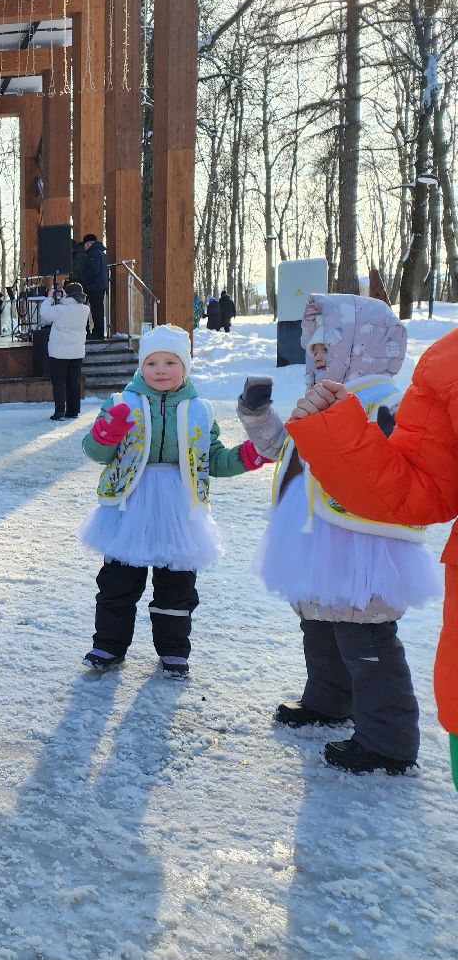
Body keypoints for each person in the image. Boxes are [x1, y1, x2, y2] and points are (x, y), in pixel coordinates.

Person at [241, 295, 440, 775]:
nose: (317, 356)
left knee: (364, 634)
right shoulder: (318, 401)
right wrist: (257, 413)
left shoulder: (387, 402)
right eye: (313, 350)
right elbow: (283, 447)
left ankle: (389, 740)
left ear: (362, 347)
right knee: (322, 626)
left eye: (328, 347)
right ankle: (329, 701)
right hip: (317, 536)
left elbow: (400, 463)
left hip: (361, 543)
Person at [78, 324, 268, 678]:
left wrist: (247, 457)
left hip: (179, 507)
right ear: (140, 367)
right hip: (129, 505)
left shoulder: (201, 410)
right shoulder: (123, 404)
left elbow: (212, 460)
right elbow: (95, 452)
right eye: (152, 363)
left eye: (170, 362)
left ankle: (173, 651)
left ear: (185, 366)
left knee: (176, 585)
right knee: (118, 581)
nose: (161, 370)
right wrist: (105, 434)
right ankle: (108, 645)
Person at [39, 280, 92, 421]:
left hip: (59, 352)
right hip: (77, 351)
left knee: (59, 383)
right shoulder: (85, 309)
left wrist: (50, 297)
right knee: (73, 382)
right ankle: (73, 411)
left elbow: (44, 313)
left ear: (67, 293)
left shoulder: (60, 310)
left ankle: (59, 413)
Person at [79, 232, 109, 338]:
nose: (85, 247)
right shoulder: (99, 252)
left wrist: (85, 280)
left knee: (96, 310)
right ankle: (98, 332)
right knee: (97, 309)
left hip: (95, 287)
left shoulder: (94, 253)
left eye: (85, 245)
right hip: (99, 286)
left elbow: (93, 270)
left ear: (89, 244)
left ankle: (98, 333)